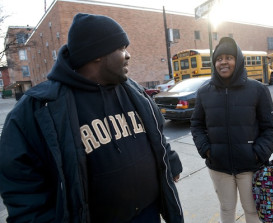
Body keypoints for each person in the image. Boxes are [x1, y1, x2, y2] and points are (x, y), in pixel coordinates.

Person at [0, 13, 184, 223]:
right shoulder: (39, 107)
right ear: (97, 53)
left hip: (148, 215)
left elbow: (157, 133)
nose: (128, 55)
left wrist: (170, 161)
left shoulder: (134, 91)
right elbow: (21, 186)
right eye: (122, 48)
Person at [190, 37, 273, 223]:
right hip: (219, 166)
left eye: (229, 57)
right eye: (219, 58)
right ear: (215, 63)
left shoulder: (258, 90)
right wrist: (207, 150)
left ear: (238, 60)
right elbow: (196, 124)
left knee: (253, 211)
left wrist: (257, 153)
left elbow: (271, 128)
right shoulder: (204, 92)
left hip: (251, 167)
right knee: (226, 208)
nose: (223, 62)